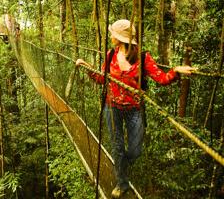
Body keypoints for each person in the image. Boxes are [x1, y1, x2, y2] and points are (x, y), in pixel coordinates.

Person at [75, 19, 195, 198]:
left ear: (121, 38)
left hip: (134, 109)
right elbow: (102, 79)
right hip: (112, 106)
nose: (111, 36)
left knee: (135, 150)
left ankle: (121, 165)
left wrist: (176, 70)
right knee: (117, 147)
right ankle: (122, 183)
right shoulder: (110, 55)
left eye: (113, 34)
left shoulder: (143, 57)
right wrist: (87, 67)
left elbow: (161, 79)